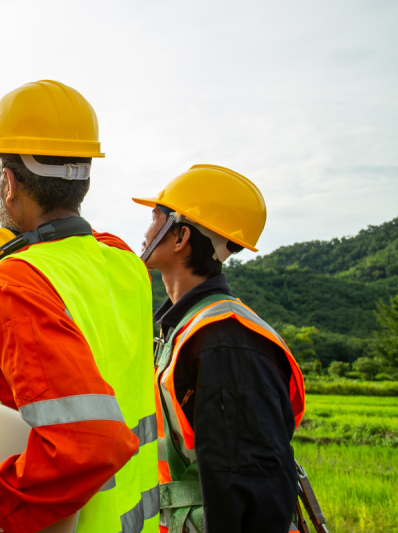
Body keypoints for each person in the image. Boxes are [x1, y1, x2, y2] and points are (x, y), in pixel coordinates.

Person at [0, 80, 159, 533]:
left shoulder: (20, 280)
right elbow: (41, 215)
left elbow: (87, 444)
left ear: (12, 184)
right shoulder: (123, 262)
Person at [135, 164, 306, 533]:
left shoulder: (225, 341)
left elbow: (252, 489)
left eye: (155, 217)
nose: (146, 231)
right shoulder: (186, 328)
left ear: (179, 236)